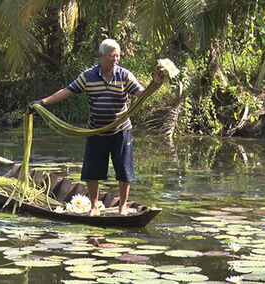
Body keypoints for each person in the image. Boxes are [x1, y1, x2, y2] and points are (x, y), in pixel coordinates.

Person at [30, 39, 165, 216]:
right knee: (92, 171)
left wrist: (156, 84)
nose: (115, 59)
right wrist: (42, 102)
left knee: (124, 171)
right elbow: (67, 91)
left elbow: (142, 94)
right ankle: (94, 206)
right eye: (111, 56)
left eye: (118, 56)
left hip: (121, 130)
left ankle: (122, 206)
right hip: (96, 131)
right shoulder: (88, 76)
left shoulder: (124, 75)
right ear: (101, 56)